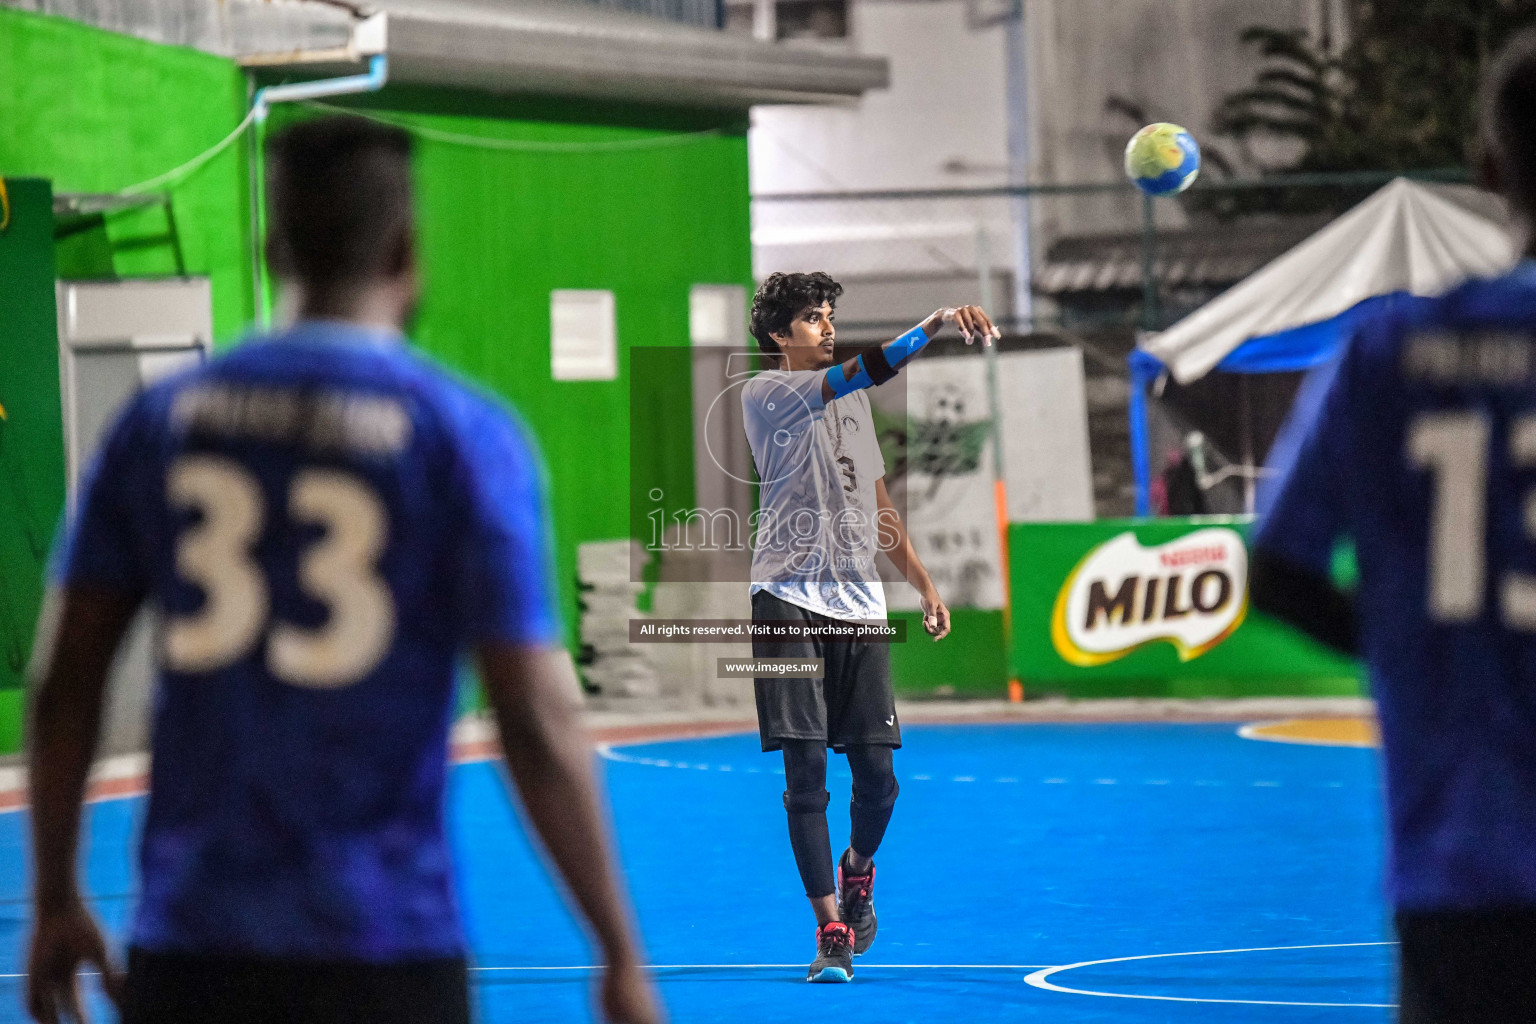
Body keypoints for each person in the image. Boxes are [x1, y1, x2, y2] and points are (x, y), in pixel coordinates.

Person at [24, 116, 661, 1024]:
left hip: (194, 945)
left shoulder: (161, 423)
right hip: (385, 948)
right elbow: (534, 713)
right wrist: (619, 953)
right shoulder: (464, 436)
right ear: (408, 251)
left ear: (271, 245)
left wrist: (54, 896)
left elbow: (66, 676)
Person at [1250, 30, 1536, 1024]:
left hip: (1462, 867)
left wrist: (1407, 639)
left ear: (1490, 168)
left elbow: (1275, 570)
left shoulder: (1388, 352)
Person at [741, 271, 997, 982]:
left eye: (829, 315)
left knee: (879, 777)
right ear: (777, 336)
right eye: (811, 318)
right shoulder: (766, 394)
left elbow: (877, 503)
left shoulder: (851, 407)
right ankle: (830, 930)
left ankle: (858, 870)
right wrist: (937, 319)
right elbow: (869, 367)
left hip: (860, 607)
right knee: (806, 771)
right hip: (785, 599)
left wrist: (921, 581)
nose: (825, 326)